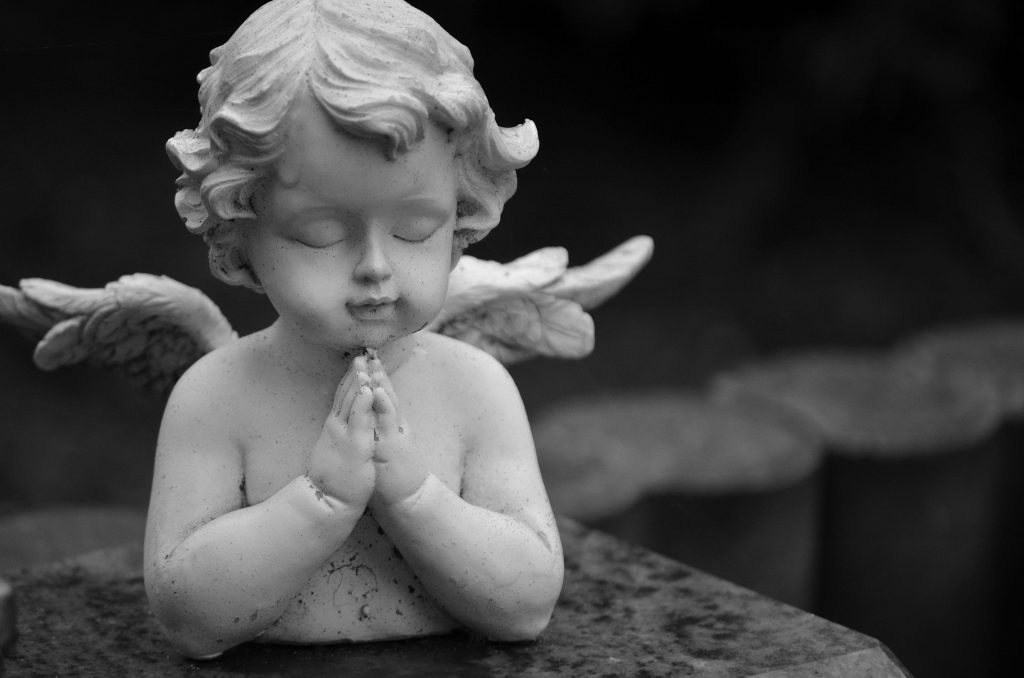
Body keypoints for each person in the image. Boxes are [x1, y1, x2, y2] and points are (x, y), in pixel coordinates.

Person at [145, 0, 563, 659]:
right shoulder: (216, 397)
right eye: (319, 233)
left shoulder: (475, 389)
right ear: (240, 229)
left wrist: (414, 497)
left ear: (461, 217)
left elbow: (528, 603)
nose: (374, 268)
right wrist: (320, 501)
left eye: (415, 229)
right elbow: (186, 614)